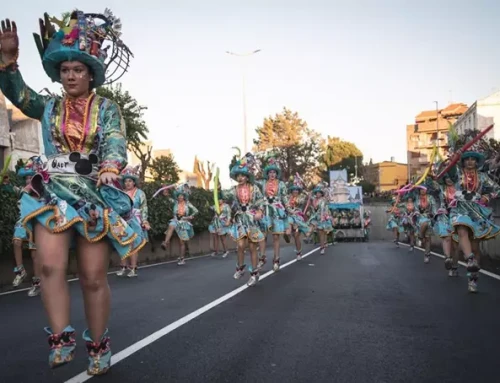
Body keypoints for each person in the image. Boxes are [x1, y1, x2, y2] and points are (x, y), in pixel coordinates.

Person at [0, 11, 142, 374]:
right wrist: (9, 62)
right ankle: (60, 337)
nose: (71, 76)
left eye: (78, 69)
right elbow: (20, 96)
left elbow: (114, 140)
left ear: (91, 73)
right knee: (48, 265)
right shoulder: (48, 107)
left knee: (93, 277)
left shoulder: (108, 109)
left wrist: (111, 167)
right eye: (65, 70)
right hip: (53, 193)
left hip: (93, 195)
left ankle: (98, 344)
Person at [117, 166, 150, 277]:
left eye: (130, 181)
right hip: (122, 220)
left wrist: (144, 221)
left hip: (135, 220)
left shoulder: (140, 193)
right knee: (122, 242)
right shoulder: (120, 193)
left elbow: (144, 207)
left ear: (134, 182)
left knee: (133, 243)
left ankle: (133, 268)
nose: (127, 183)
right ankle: (123, 266)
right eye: (125, 181)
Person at [161, 184, 199, 265]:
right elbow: (167, 198)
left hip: (183, 222)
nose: (180, 197)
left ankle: (182, 258)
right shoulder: (175, 203)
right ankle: (165, 243)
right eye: (179, 196)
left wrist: (189, 217)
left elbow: (196, 211)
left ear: (184, 197)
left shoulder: (187, 204)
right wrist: (165, 190)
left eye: (181, 196)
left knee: (181, 242)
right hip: (175, 220)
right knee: (171, 225)